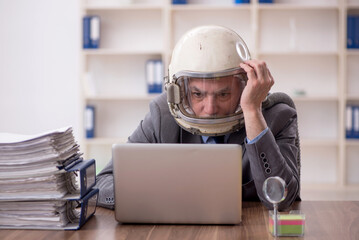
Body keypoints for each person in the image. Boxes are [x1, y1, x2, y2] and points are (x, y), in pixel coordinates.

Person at [96, 25, 300, 210]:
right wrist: (156, 193)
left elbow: (281, 199)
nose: (210, 109)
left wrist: (252, 111)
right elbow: (103, 183)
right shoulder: (162, 116)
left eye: (223, 94)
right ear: (179, 92)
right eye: (198, 94)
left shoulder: (277, 116)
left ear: (243, 87)